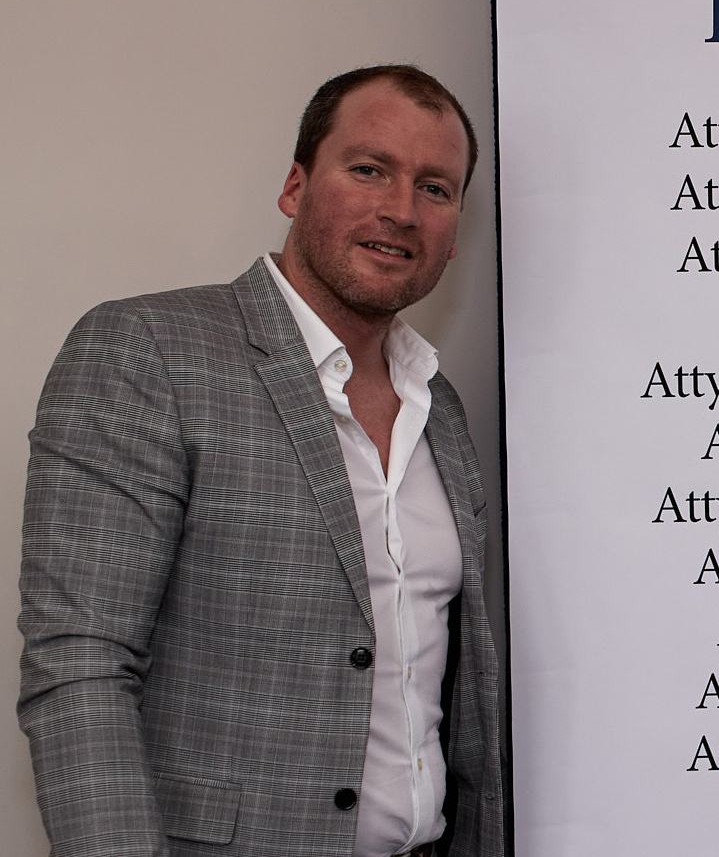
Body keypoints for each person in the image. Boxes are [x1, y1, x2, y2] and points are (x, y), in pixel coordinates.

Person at [18, 65, 504, 857]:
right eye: (369, 168)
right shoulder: (148, 352)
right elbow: (79, 669)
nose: (400, 209)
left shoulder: (438, 408)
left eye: (436, 187)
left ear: (453, 237)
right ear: (294, 185)